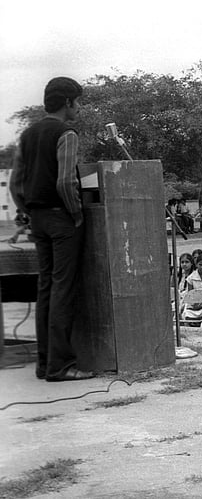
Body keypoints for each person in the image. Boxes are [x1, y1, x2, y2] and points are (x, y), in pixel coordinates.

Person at [10, 77, 93, 381]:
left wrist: (28, 211)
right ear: (68, 102)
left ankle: (45, 364)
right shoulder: (66, 132)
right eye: (78, 102)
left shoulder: (29, 134)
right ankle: (62, 366)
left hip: (38, 219)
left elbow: (15, 183)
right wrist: (76, 214)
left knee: (45, 287)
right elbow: (65, 180)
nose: (79, 108)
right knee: (63, 289)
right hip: (61, 218)